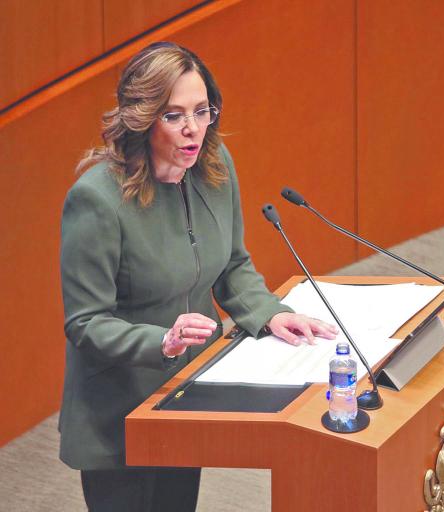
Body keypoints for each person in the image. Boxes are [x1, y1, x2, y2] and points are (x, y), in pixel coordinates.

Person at [59, 41, 337, 511]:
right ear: (142, 118)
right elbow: (85, 322)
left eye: (202, 110)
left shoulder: (212, 167)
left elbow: (231, 263)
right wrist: (161, 341)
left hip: (187, 392)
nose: (193, 130)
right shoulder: (97, 201)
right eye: (173, 115)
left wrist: (269, 313)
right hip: (119, 408)